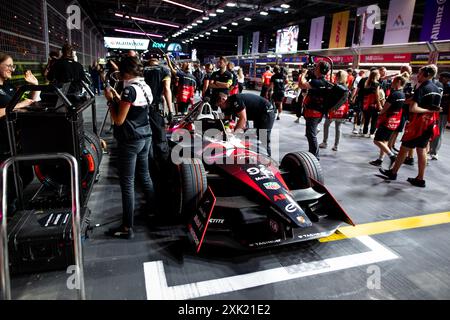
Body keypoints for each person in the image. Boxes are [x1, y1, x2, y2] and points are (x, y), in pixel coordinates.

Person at [104, 56, 154, 239]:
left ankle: (127, 227)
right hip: (145, 136)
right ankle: (152, 211)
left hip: (131, 140)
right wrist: (118, 98)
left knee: (127, 183)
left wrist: (110, 100)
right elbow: (136, 109)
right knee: (145, 176)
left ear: (125, 73)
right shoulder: (144, 86)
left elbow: (118, 120)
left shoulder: (129, 90)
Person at [379, 65, 442, 188]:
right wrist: (403, 101)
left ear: (427, 74)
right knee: (421, 149)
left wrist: (426, 110)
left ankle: (393, 173)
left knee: (404, 148)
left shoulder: (422, 88)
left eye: (420, 74)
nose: (417, 76)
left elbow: (413, 108)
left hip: (417, 124)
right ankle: (420, 178)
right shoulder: (437, 88)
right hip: (430, 124)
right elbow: (426, 104)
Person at [0, 53, 40, 212]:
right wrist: (17, 105)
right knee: (9, 183)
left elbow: (29, 102)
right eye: (8, 65)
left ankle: (12, 208)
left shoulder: (7, 87)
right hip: (2, 143)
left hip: (13, 140)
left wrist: (34, 86)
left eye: (13, 66)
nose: (12, 69)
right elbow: (15, 106)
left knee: (26, 175)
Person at [369, 75, 407, 167]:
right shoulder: (402, 94)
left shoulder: (394, 94)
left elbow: (385, 108)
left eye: (394, 81)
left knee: (377, 140)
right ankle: (380, 159)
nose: (392, 83)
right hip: (395, 120)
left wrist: (380, 112)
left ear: (398, 82)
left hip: (387, 120)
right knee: (385, 141)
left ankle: (392, 156)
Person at [143, 53, 174, 164]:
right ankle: (163, 167)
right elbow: (166, 89)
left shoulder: (141, 70)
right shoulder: (164, 70)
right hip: (155, 109)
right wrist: (170, 110)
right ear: (159, 60)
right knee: (160, 139)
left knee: (143, 138)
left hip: (140, 109)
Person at [298, 60, 331, 160]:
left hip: (313, 112)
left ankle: (315, 156)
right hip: (319, 112)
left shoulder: (316, 82)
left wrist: (303, 74)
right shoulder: (326, 82)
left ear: (320, 70)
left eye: (316, 67)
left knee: (310, 134)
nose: (314, 69)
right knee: (311, 133)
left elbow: (301, 85)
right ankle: (313, 153)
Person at [319, 70, 350, 152]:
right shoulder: (345, 88)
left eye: (337, 76)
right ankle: (336, 145)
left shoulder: (336, 87)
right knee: (338, 127)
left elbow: (330, 97)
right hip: (341, 110)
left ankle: (325, 142)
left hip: (332, 109)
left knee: (326, 125)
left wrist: (332, 108)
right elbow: (344, 100)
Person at [429, 71, 450, 160]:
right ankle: (429, 149)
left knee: (439, 132)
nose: (440, 78)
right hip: (435, 111)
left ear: (447, 79)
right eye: (440, 77)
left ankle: (434, 152)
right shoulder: (437, 85)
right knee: (432, 130)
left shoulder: (449, 88)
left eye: (442, 77)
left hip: (443, 113)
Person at [361, 69, 382, 138]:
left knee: (367, 118)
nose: (379, 75)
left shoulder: (367, 83)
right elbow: (377, 95)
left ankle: (364, 132)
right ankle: (371, 133)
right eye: (379, 74)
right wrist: (379, 105)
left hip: (366, 103)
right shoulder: (376, 84)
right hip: (374, 104)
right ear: (376, 75)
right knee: (374, 119)